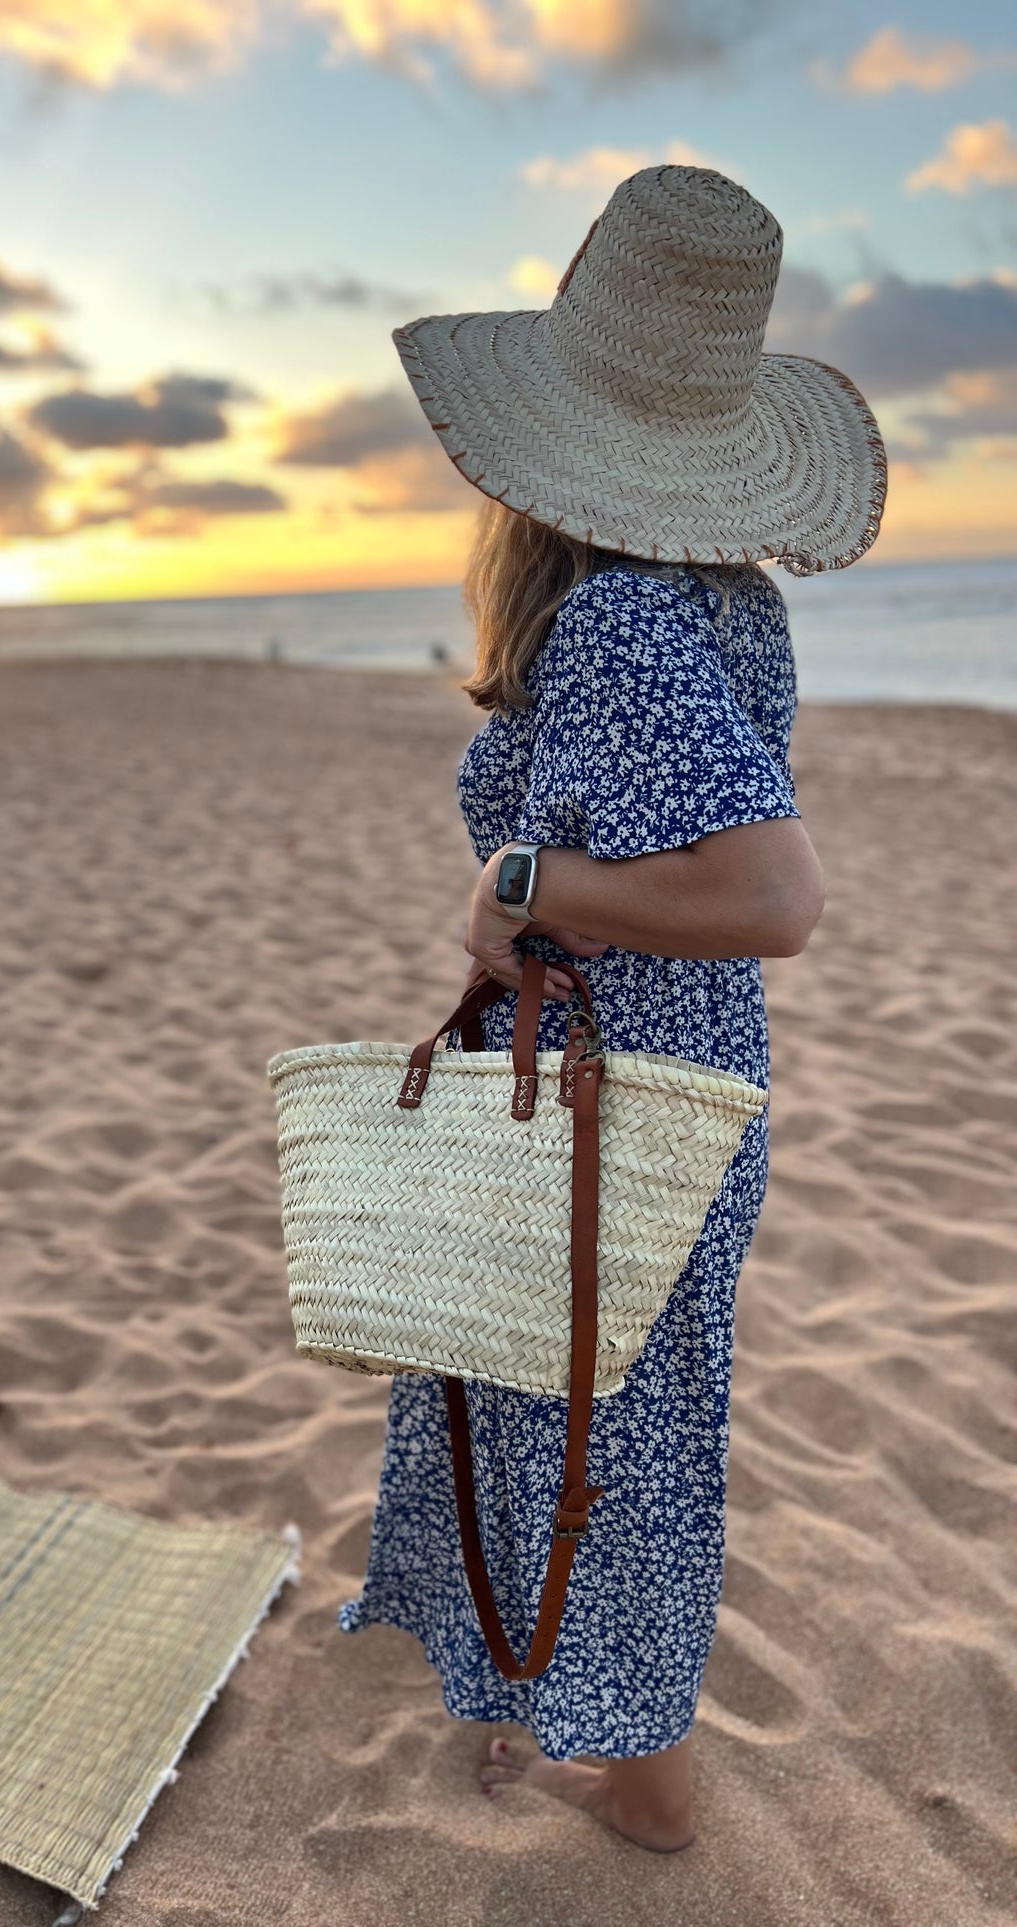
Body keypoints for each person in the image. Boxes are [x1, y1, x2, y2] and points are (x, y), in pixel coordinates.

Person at [336, 164, 886, 1852]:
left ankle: (643, 1792)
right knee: (610, 1423)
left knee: (605, 1443)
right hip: (656, 1075)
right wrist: (522, 901)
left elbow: (772, 898)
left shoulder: (623, 616)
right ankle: (586, 1719)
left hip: (613, 1098)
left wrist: (528, 893)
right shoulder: (720, 595)